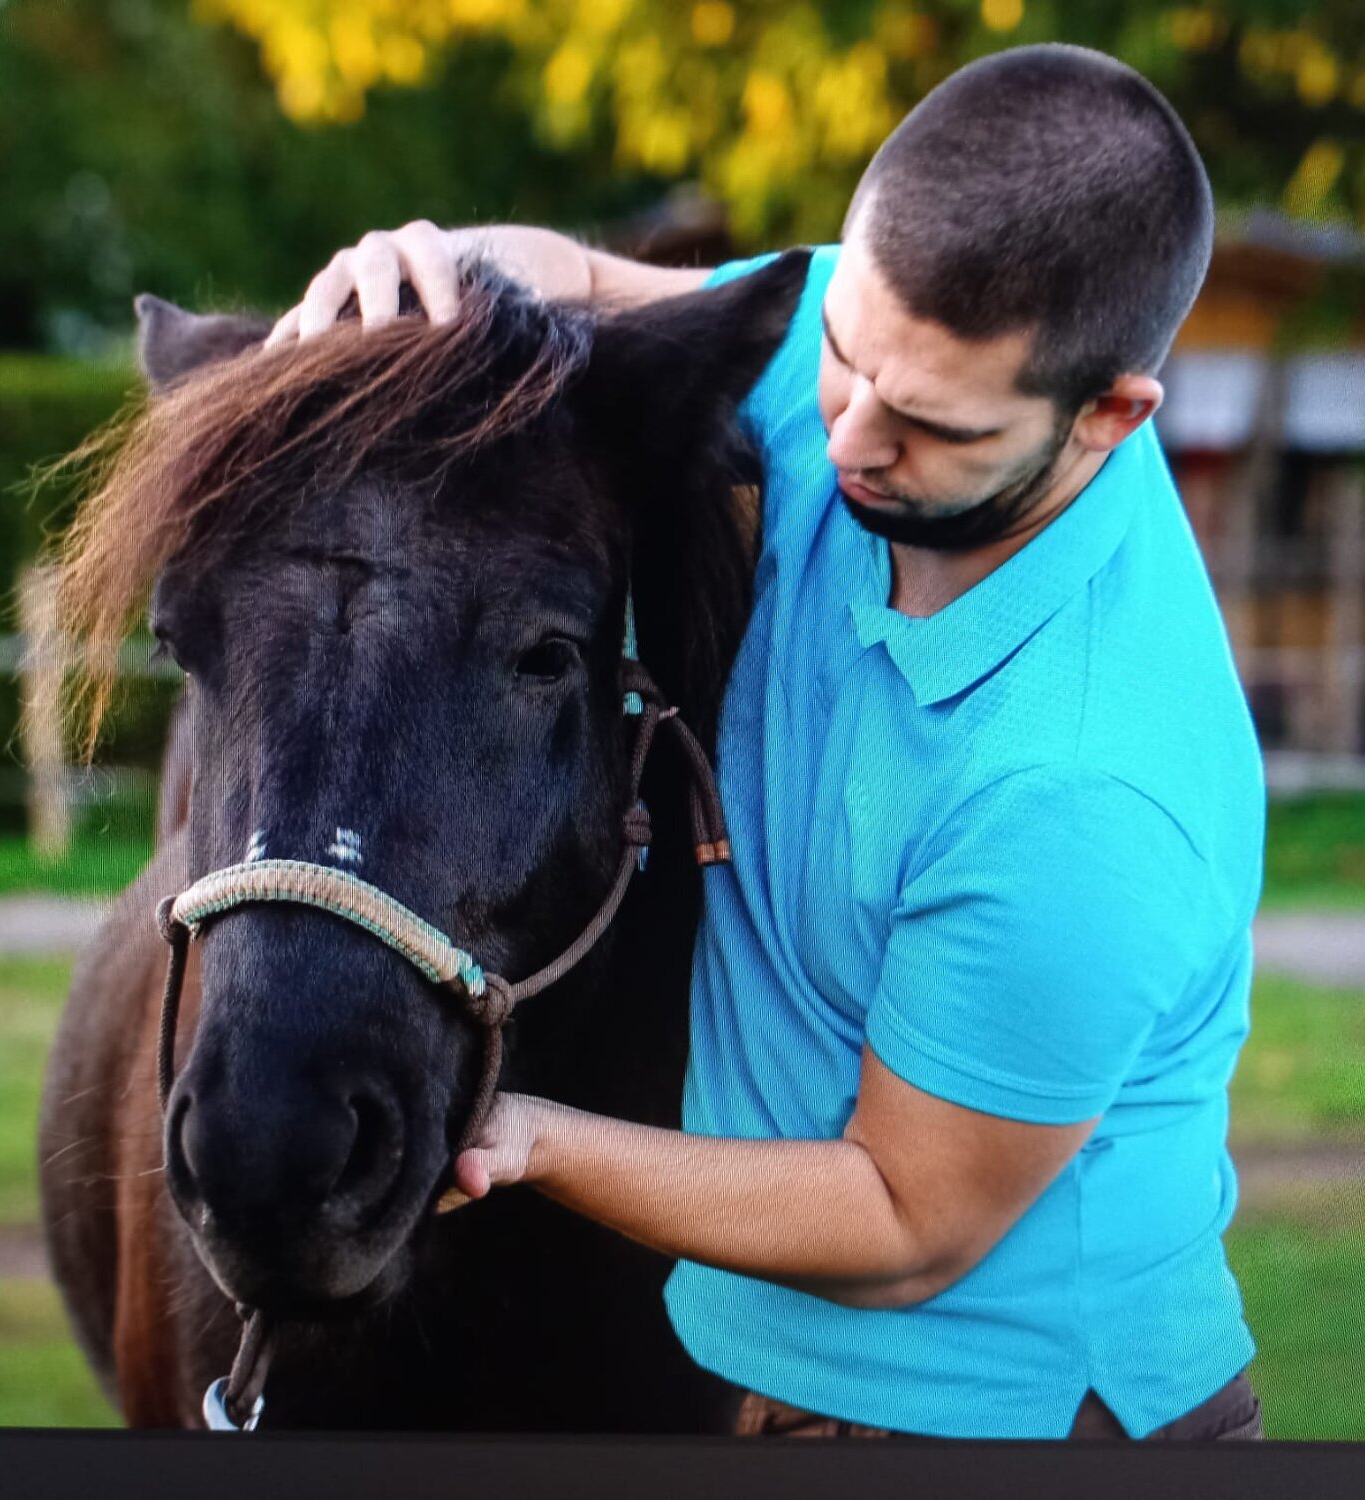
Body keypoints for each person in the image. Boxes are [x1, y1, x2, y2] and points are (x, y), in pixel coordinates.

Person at [271, 43, 1266, 1442]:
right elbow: (596, 291)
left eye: (922, 426)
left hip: (1009, 1422)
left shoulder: (1085, 787)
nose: (846, 433)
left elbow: (905, 1218)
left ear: (1110, 412)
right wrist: (427, 267)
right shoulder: (899, 336)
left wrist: (533, 1135)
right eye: (845, 355)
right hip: (786, 1384)